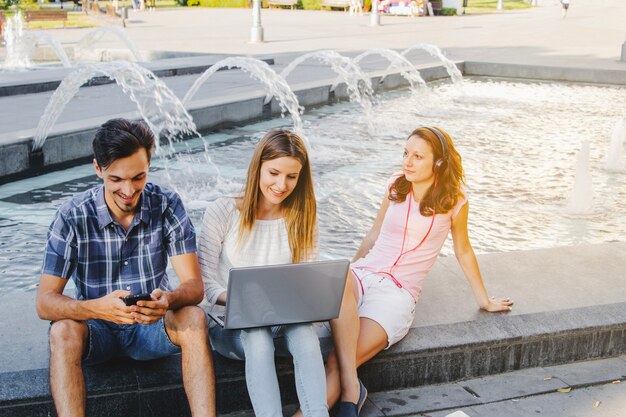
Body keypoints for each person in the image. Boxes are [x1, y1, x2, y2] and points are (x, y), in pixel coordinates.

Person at [317, 127, 514, 417]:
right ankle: (351, 390)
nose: (407, 162)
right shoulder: (395, 185)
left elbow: (463, 250)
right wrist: (348, 273)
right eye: (406, 153)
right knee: (339, 274)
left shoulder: (454, 202)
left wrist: (484, 300)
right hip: (362, 275)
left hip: (397, 294)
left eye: (417, 156)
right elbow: (374, 235)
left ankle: (332, 400)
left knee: (337, 359)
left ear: (438, 163)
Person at [35, 118, 216, 417]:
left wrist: (168, 300)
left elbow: (194, 286)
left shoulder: (167, 204)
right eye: (116, 179)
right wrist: (97, 309)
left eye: (138, 177)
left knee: (194, 317)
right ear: (98, 169)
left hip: (151, 328)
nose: (129, 190)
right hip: (97, 331)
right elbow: (44, 302)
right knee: (62, 332)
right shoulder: (71, 216)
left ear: (148, 165)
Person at [198, 129, 329, 417]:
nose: (281, 184)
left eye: (291, 177)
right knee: (256, 336)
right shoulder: (223, 211)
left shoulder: (302, 215)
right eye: (273, 173)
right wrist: (249, 300)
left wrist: (311, 302)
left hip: (283, 321)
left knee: (306, 334)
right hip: (230, 325)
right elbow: (206, 286)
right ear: (258, 167)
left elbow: (305, 278)